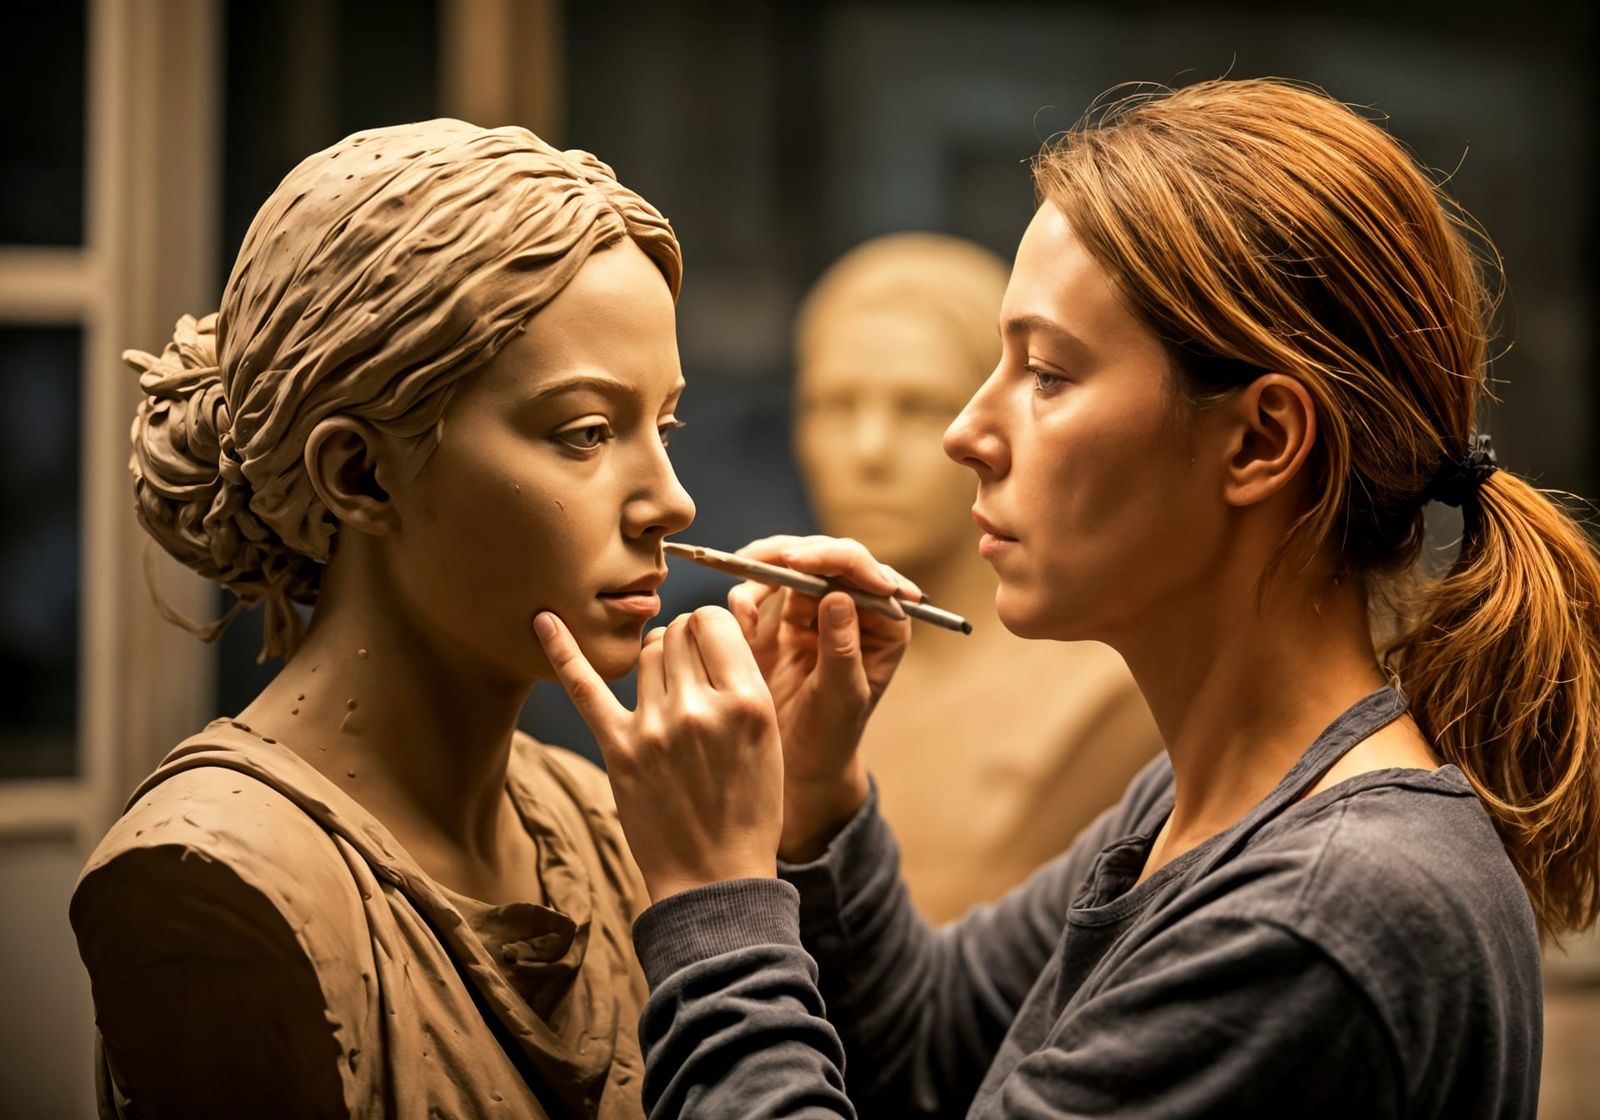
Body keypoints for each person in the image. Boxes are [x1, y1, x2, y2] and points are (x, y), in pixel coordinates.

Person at [536, 78, 1600, 1117]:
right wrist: (814, 803)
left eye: (1044, 373)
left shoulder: (1326, 913)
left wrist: (715, 896)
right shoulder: (1195, 806)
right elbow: (929, 1057)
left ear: (1262, 440)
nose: (967, 433)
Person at [70, 120, 694, 1118]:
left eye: (663, 426)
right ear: (359, 472)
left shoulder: (601, 818)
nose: (672, 500)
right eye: (585, 432)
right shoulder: (216, 880)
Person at [793, 232, 1160, 922]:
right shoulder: (782, 672)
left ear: (994, 421)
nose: (867, 451)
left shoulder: (1099, 689)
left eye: (918, 408)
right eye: (834, 406)